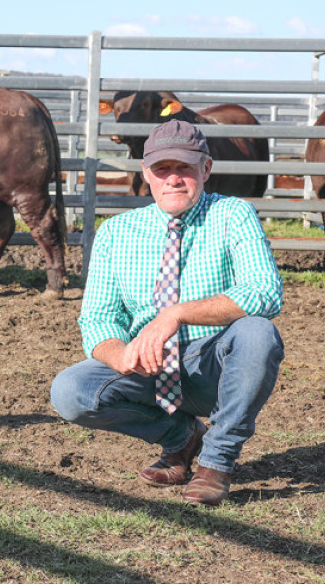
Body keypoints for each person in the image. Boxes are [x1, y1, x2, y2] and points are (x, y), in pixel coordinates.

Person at [51, 119, 284, 506]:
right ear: (146, 173)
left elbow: (264, 291)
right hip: (150, 368)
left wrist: (175, 314)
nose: (173, 179)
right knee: (71, 391)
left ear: (205, 169)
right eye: (162, 169)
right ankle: (180, 438)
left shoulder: (233, 215)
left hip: (215, 363)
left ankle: (216, 461)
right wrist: (121, 355)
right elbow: (98, 319)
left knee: (258, 332)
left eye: (185, 168)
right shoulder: (116, 232)